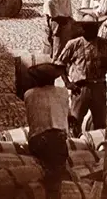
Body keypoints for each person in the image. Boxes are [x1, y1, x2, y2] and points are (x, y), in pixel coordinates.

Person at [56, 10, 107, 136]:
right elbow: (59, 64)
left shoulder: (104, 44)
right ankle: (73, 146)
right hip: (80, 88)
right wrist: (68, 83)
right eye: (88, 28)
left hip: (99, 88)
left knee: (100, 125)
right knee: (75, 122)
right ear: (82, 28)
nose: (92, 31)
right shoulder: (74, 44)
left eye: (94, 28)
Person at [23, 63, 69, 199]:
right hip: (59, 140)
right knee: (57, 174)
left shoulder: (29, 94)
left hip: (38, 141)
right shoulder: (63, 92)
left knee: (45, 171)